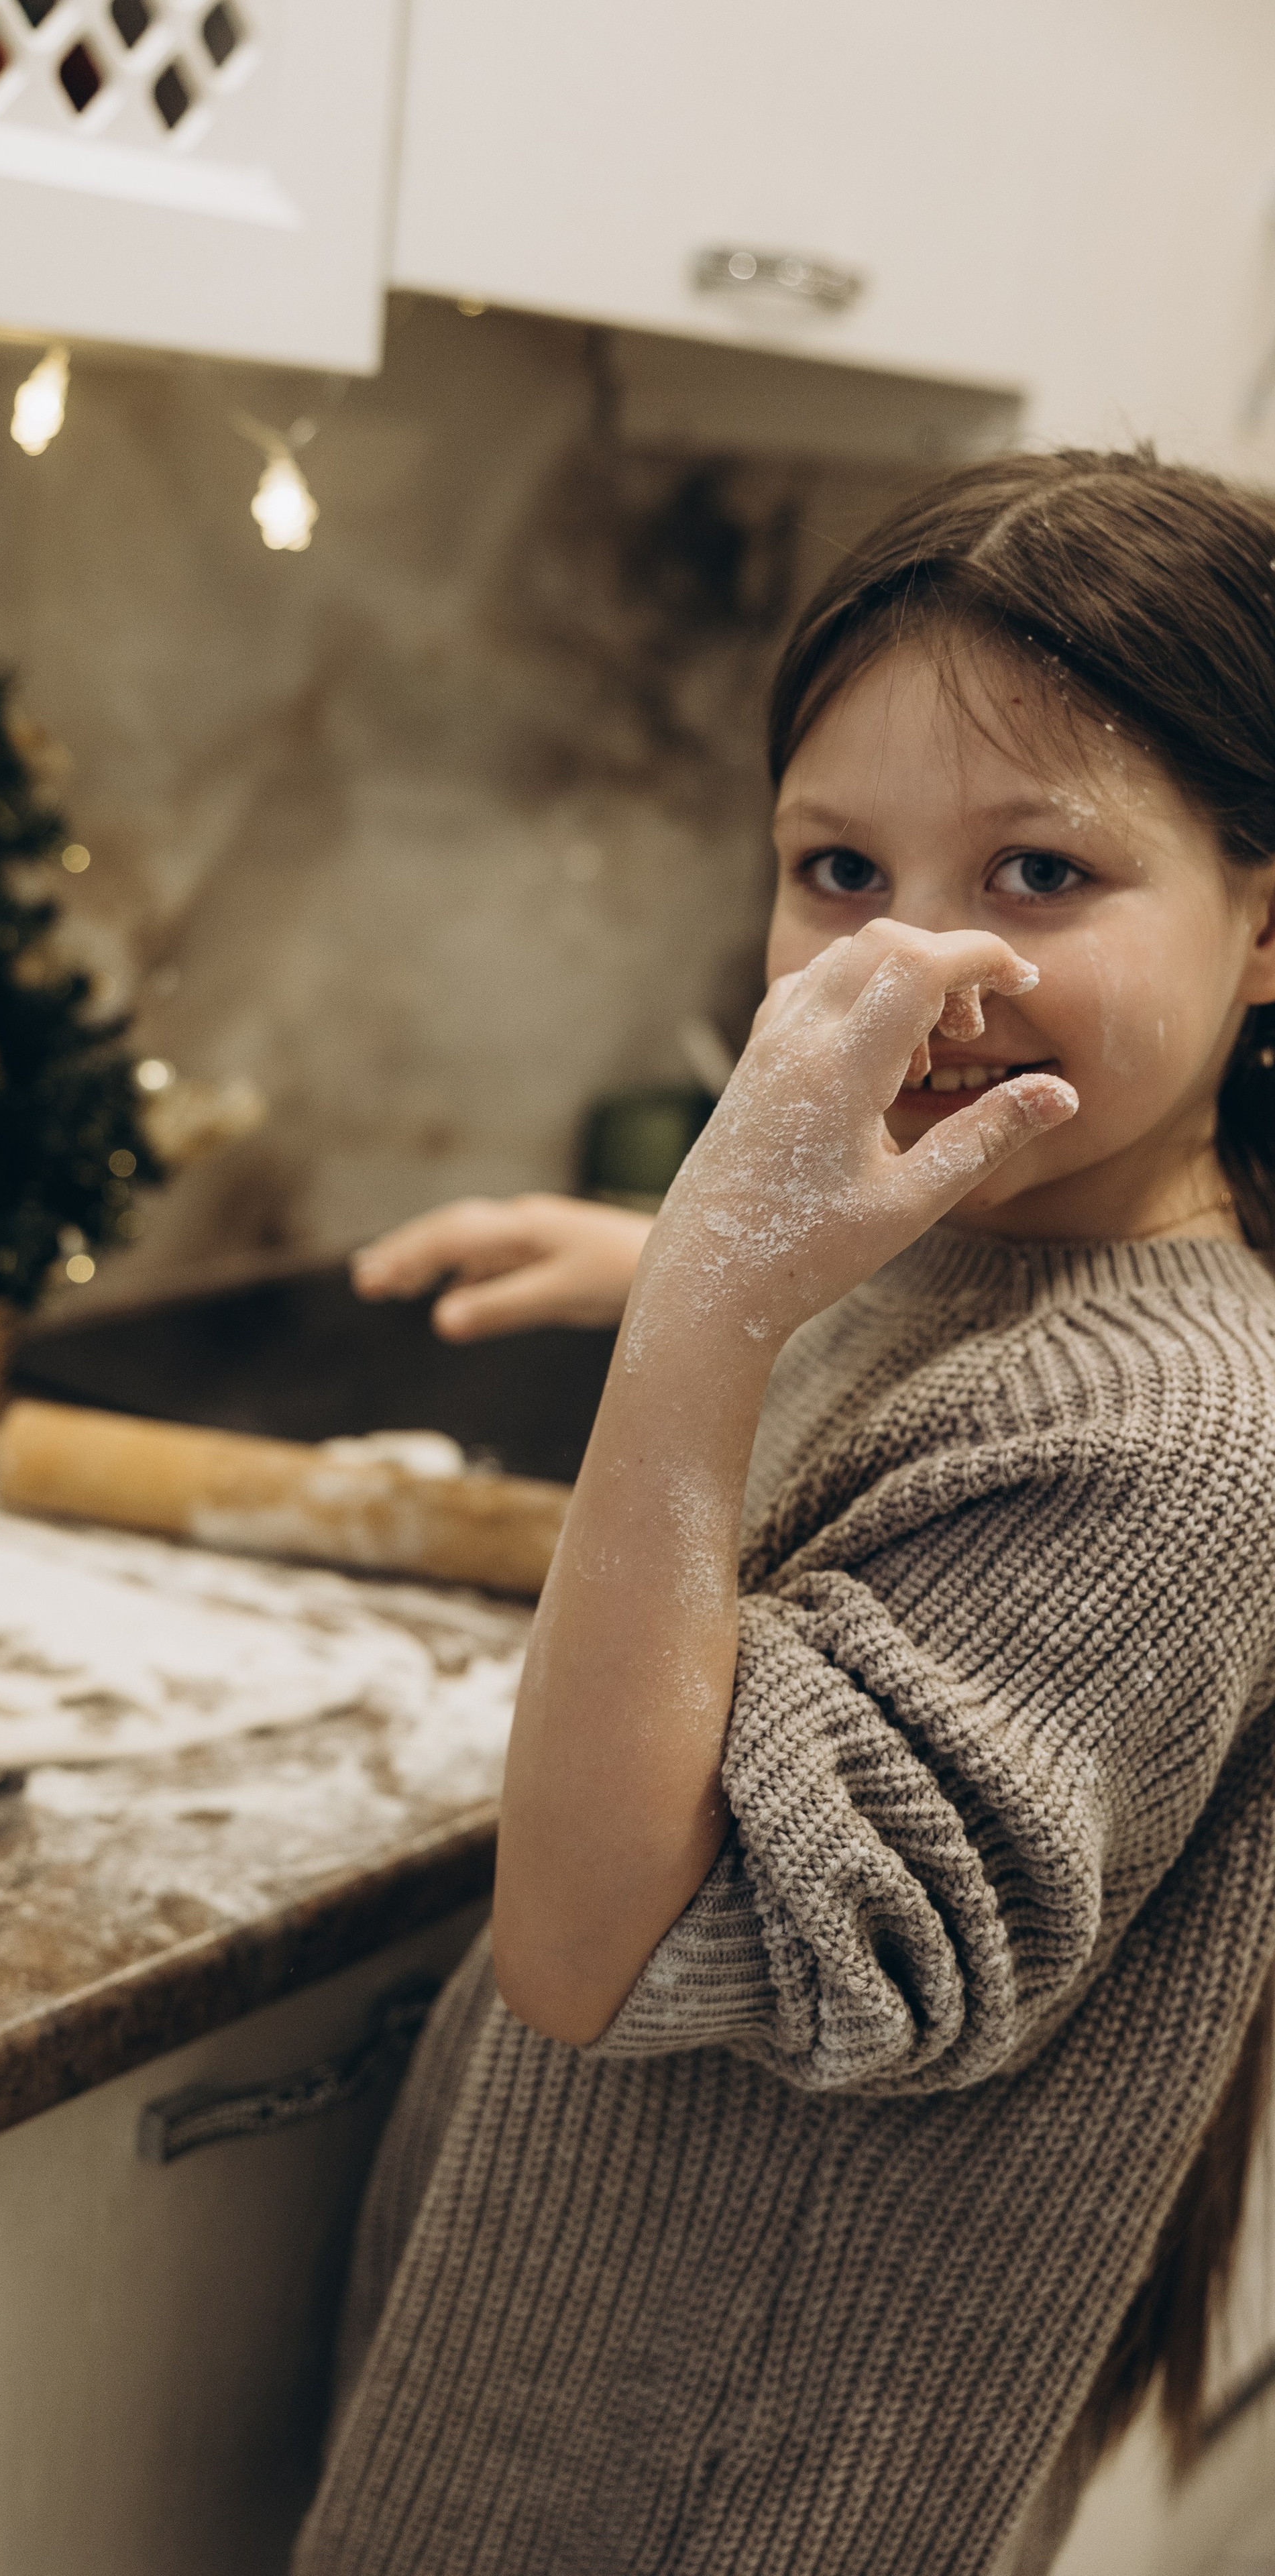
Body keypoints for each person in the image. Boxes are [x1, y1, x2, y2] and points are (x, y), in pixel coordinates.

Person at [294, 449, 1275, 2576]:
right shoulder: (1004, 1237)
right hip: (588, 2392)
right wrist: (671, 1267)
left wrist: (701, 1318)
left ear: (1268, 915)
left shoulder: (1187, 1452)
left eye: (1041, 875)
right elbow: (929, 1363)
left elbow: (598, 1941)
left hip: (688, 2495)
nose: (921, 960)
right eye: (839, 865)